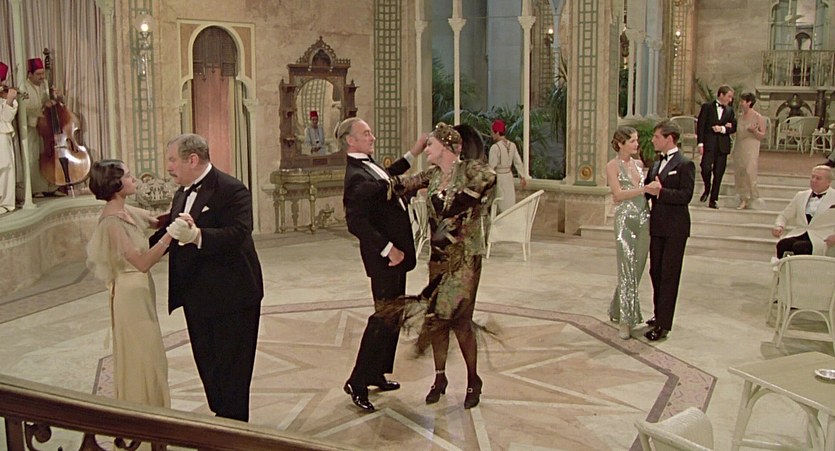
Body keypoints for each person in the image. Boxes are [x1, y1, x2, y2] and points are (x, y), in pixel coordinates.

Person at [150, 133, 263, 422]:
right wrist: (136, 245)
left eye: (172, 160)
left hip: (233, 295)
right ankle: (220, 417)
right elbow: (172, 230)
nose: (169, 167)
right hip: (196, 296)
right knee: (208, 365)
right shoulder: (182, 192)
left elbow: (240, 232)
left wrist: (198, 236)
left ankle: (233, 427)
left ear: (192, 159)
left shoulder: (232, 189)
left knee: (233, 368)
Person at [388, 122, 496, 409]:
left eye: (430, 145)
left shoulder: (469, 170)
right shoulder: (432, 175)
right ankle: (439, 378)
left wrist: (462, 200)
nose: (427, 150)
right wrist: (402, 160)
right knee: (437, 319)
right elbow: (397, 184)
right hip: (438, 258)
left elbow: (489, 177)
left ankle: (473, 380)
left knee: (458, 320)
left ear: (448, 147)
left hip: (465, 258)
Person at [340, 117, 423, 412]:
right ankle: (357, 381)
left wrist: (414, 152)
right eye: (366, 133)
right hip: (385, 259)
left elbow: (387, 178)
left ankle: (376, 372)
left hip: (396, 257)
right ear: (351, 140)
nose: (372, 137)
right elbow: (355, 222)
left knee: (393, 316)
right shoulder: (355, 176)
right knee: (382, 318)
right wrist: (389, 250)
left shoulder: (369, 166)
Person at [86, 160, 171, 410]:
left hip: (141, 292)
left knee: (152, 354)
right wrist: (171, 236)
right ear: (115, 184)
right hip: (130, 296)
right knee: (142, 356)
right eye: (128, 176)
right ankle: (143, 417)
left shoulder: (126, 210)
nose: (134, 180)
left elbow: (156, 221)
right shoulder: (112, 222)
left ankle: (156, 412)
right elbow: (142, 262)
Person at [643, 120, 696, 341]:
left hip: (675, 228)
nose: (653, 140)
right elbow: (648, 188)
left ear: (670, 138)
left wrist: (661, 192)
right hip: (657, 226)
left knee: (669, 275)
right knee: (655, 272)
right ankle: (659, 314)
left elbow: (686, 195)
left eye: (657, 137)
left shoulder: (685, 164)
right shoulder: (656, 164)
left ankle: (664, 324)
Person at [605, 126, 649, 340]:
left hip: (644, 217)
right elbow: (618, 194)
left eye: (636, 140)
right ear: (620, 143)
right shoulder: (612, 166)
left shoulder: (639, 165)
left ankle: (617, 307)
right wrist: (644, 189)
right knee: (626, 268)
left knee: (638, 267)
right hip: (625, 220)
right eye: (632, 141)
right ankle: (626, 319)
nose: (636, 144)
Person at [21, 57, 63, 198]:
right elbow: (24, 109)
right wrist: (43, 106)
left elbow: (52, 103)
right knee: (34, 157)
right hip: (32, 128)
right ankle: (37, 189)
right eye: (38, 74)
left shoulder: (45, 84)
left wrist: (56, 97)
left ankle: (53, 186)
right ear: (30, 74)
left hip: (47, 127)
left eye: (42, 73)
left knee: (50, 156)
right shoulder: (24, 87)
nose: (41, 77)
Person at [772, 165, 835, 258]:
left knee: (800, 247)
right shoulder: (801, 195)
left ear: (828, 182)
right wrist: (779, 225)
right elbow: (784, 215)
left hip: (821, 237)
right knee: (783, 244)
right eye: (812, 177)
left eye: (818, 178)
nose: (813, 180)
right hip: (800, 232)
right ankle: (784, 267)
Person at [696, 85, 735, 209]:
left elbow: (733, 127)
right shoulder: (707, 107)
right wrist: (700, 143)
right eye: (729, 96)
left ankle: (713, 199)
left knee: (719, 173)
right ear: (721, 95)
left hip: (722, 146)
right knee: (705, 167)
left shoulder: (730, 110)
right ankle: (707, 188)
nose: (730, 99)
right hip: (709, 144)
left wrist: (722, 129)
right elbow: (701, 126)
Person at [732, 92, 767, 210]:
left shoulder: (758, 117)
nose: (741, 103)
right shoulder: (740, 116)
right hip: (739, 146)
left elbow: (762, 135)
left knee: (749, 170)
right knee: (740, 171)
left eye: (742, 101)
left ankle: (751, 197)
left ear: (749, 102)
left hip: (751, 146)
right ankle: (743, 197)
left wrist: (754, 131)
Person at [489, 119, 527, 213]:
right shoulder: (512, 145)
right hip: (509, 177)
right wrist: (522, 176)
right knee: (509, 202)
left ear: (497, 133)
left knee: (500, 201)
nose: (491, 135)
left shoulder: (495, 148)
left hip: (500, 178)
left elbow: (491, 167)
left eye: (492, 132)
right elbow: (518, 161)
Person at [0, 61, 18, 214]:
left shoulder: (6, 95)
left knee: (5, 168)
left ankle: (5, 203)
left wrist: (10, 100)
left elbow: (6, 118)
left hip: (2, 134)